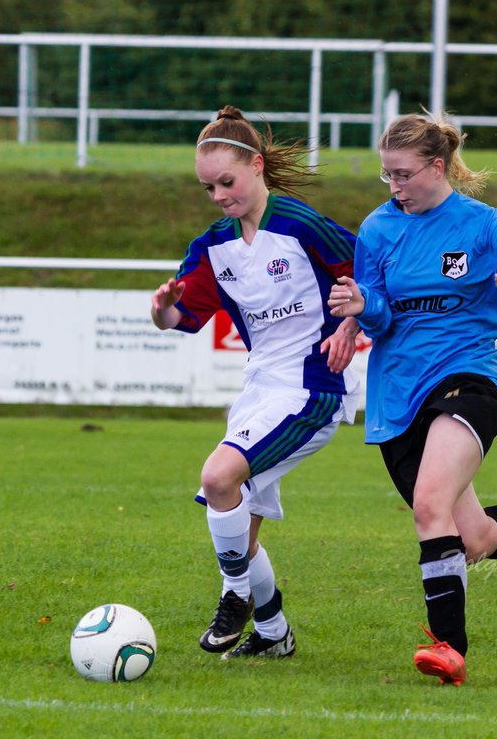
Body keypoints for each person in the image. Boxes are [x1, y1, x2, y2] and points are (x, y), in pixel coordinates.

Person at [326, 111, 497, 686]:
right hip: (396, 395)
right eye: (386, 177)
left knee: (429, 504)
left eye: (403, 175)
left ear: (436, 166)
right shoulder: (378, 229)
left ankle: (449, 647)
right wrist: (358, 310)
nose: (394, 187)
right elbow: (379, 306)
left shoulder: (482, 223)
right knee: (472, 540)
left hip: (467, 380)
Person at [151, 106, 362, 659]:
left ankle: (235, 596)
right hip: (259, 391)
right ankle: (273, 636)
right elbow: (184, 320)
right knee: (238, 525)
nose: (219, 195)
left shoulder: (301, 224)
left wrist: (350, 323)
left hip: (313, 388)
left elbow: (369, 275)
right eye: (208, 187)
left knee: (219, 478)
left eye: (227, 181)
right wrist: (162, 311)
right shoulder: (212, 247)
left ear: (257, 166)